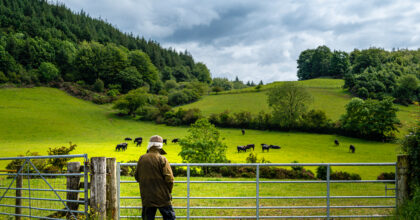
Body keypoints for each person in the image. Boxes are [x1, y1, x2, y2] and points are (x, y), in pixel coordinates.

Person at [134, 135, 176, 220]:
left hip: (147, 196)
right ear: (160, 146)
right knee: (169, 217)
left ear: (149, 145)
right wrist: (169, 191)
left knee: (147, 217)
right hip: (162, 196)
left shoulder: (142, 158)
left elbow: (137, 176)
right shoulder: (162, 159)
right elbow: (169, 178)